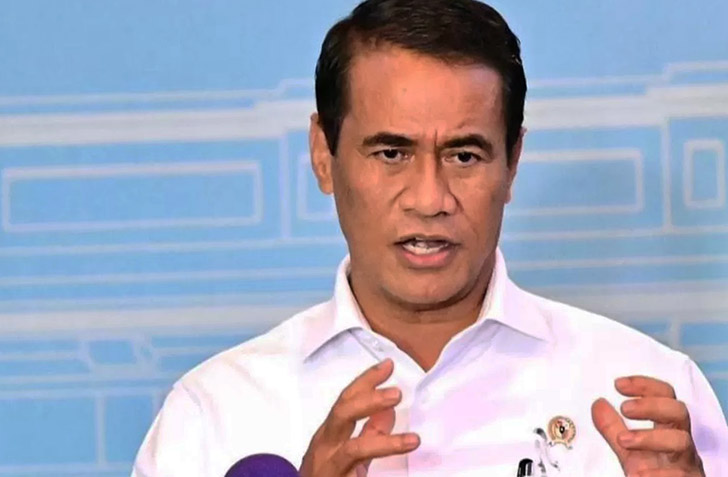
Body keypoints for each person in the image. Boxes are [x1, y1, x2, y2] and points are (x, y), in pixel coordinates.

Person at [132, 1, 728, 476]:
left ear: (512, 163)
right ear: (322, 153)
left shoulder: (649, 402)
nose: (429, 198)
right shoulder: (215, 414)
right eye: (391, 153)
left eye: (464, 155)